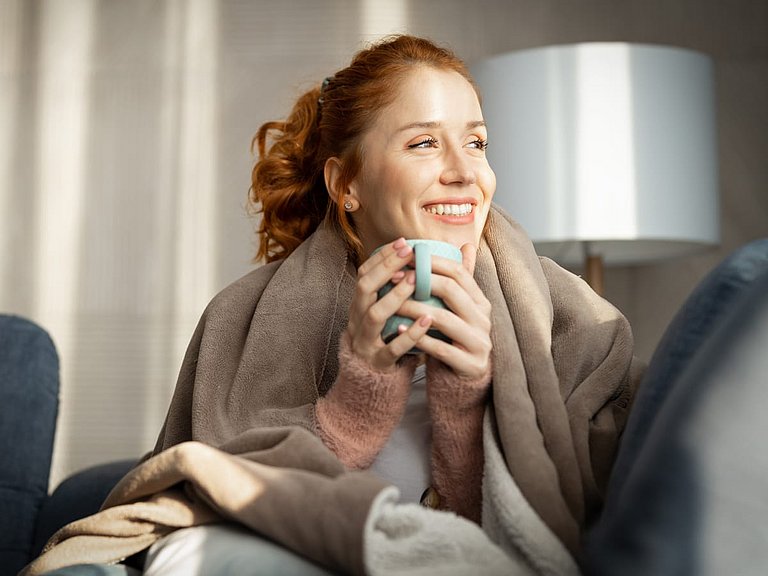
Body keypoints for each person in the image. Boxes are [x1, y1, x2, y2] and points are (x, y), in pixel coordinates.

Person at [25, 35, 647, 576]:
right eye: (425, 143)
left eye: (477, 142)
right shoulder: (241, 317)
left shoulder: (569, 321)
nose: (466, 172)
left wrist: (467, 393)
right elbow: (199, 507)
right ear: (345, 185)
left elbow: (556, 538)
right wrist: (359, 396)